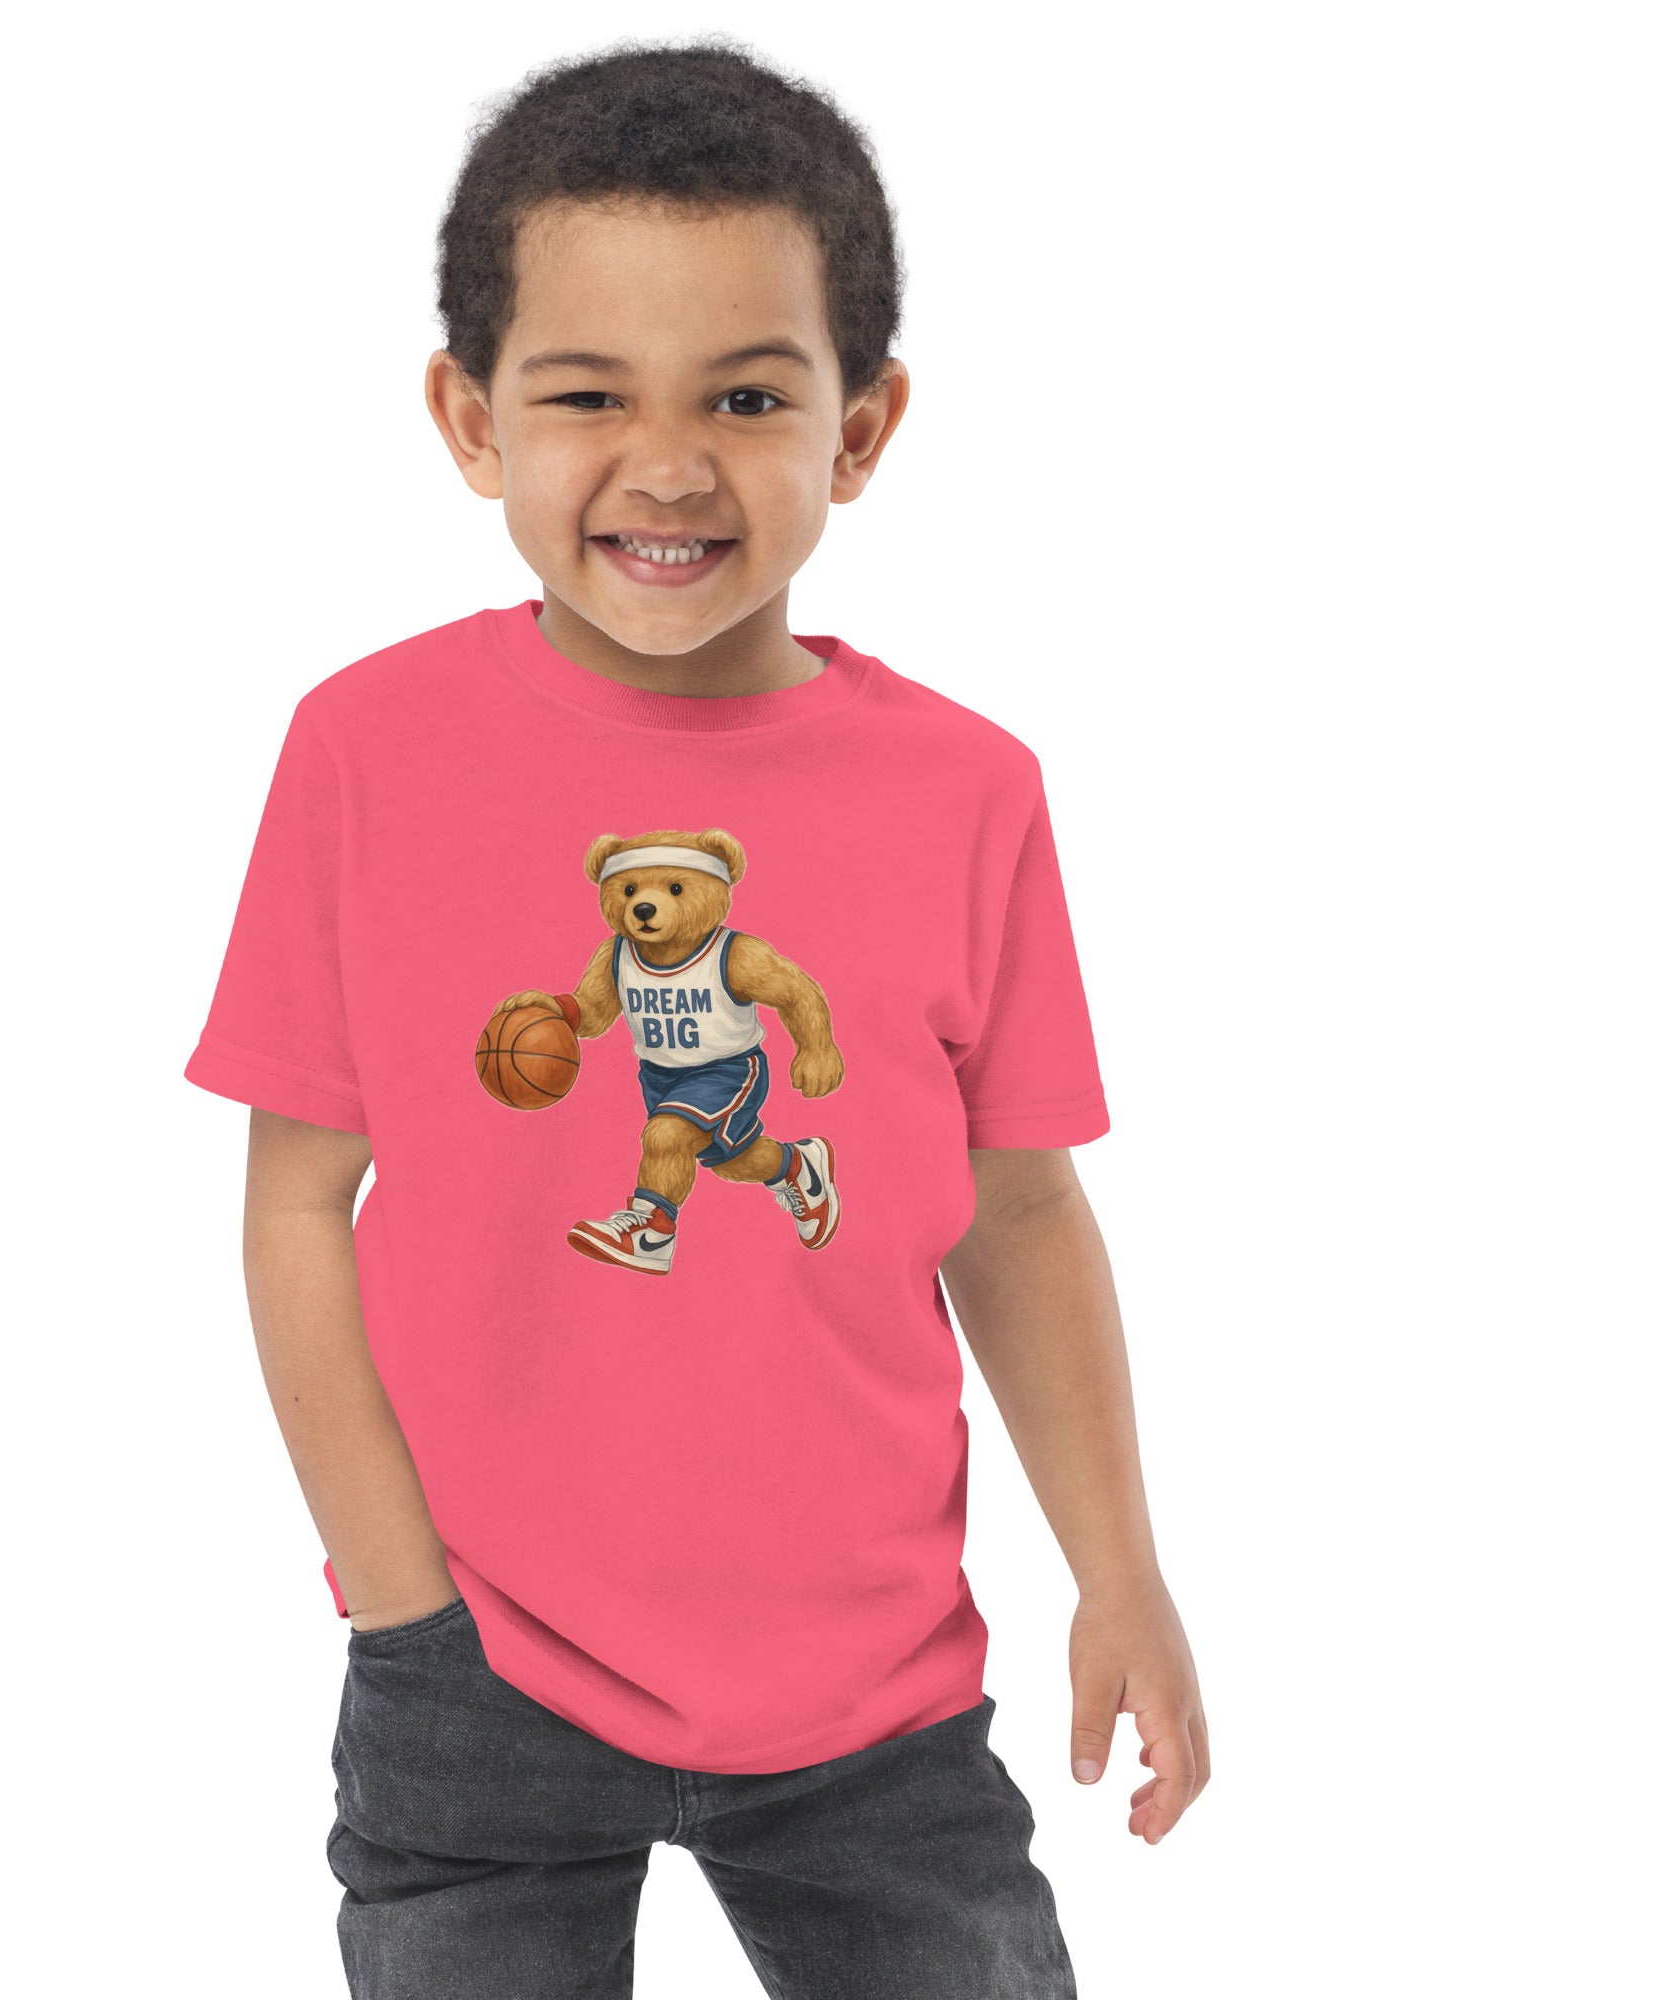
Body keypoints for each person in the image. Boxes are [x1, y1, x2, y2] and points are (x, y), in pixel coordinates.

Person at [186, 37, 1207, 2000]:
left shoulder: (968, 791)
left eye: (747, 396)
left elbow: (1017, 1209)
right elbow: (298, 1200)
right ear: (471, 419)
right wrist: (402, 1604)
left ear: (861, 426)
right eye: (588, 394)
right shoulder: (367, 751)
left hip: (875, 1689)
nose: (666, 465)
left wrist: (1121, 1569)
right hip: (476, 1670)